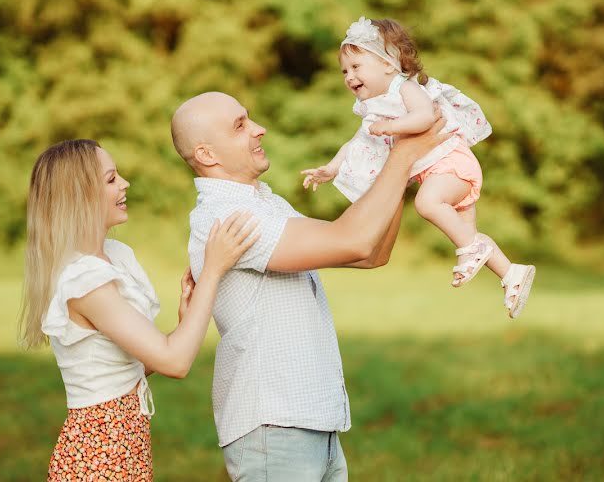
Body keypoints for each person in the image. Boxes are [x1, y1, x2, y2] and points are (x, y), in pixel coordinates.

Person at [170, 92, 448, 481]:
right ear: (207, 155)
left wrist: (399, 163)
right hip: (275, 426)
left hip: (310, 421)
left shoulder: (267, 204)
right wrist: (402, 155)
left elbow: (371, 253)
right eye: (240, 125)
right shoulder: (227, 216)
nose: (258, 129)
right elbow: (352, 240)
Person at [19, 139, 259, 481]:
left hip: (124, 444)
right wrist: (214, 270)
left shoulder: (112, 257)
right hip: (99, 454)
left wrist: (182, 324)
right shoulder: (86, 280)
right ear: (80, 196)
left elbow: (128, 369)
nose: (125, 184)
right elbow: (175, 362)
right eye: (111, 179)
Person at [301, 16, 535, 318]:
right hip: (439, 173)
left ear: (388, 63)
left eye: (357, 67)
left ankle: (470, 252)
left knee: (427, 203)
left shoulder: (404, 88)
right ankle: (511, 275)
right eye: (344, 70)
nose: (348, 76)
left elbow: (425, 117)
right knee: (469, 236)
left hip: (452, 164)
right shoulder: (374, 108)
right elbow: (356, 144)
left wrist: (391, 126)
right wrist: (332, 168)